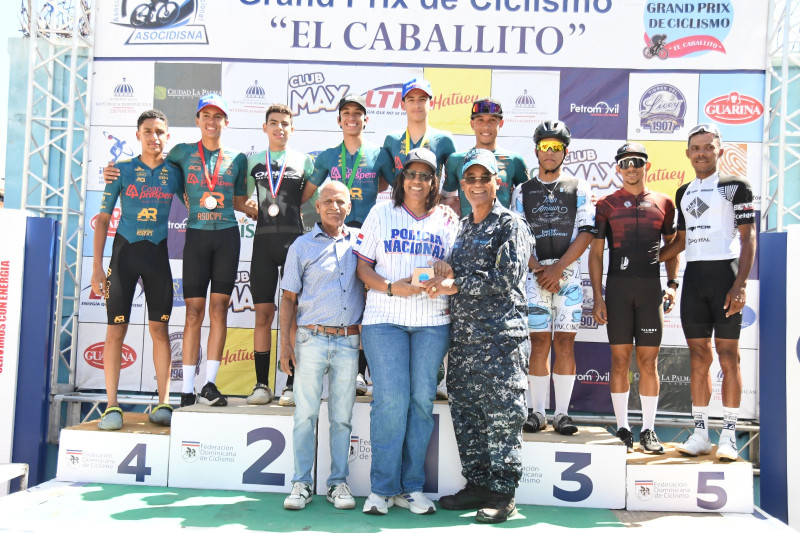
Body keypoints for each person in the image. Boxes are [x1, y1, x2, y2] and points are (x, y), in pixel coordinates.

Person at [104, 93, 249, 408]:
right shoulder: (181, 153)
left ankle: (209, 384)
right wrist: (112, 171)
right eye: (205, 116)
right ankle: (186, 388)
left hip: (227, 236)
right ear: (197, 120)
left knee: (219, 310)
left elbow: (240, 200)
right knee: (194, 312)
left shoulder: (238, 159)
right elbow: (148, 163)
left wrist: (254, 208)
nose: (212, 122)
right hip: (195, 236)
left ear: (226, 121)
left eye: (217, 116)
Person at [428, 148, 534, 524]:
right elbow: (455, 272)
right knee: (468, 417)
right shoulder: (463, 226)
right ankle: (476, 484)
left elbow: (507, 278)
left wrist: (455, 284)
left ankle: (503, 494)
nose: (476, 185)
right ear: (462, 185)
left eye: (483, 178)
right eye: (469, 179)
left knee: (503, 417)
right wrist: (444, 269)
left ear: (497, 183)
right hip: (464, 342)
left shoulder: (511, 225)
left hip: (501, 340)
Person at [354, 148, 458, 516]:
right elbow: (362, 267)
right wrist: (389, 287)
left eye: (425, 175)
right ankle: (382, 488)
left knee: (420, 402)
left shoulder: (448, 219)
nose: (417, 180)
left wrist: (444, 276)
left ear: (434, 182)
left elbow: (454, 274)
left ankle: (411, 487)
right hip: (385, 318)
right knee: (391, 400)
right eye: (411, 174)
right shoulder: (381, 212)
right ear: (402, 179)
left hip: (431, 322)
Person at [660, 124, 756, 461]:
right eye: (696, 148)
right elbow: (681, 243)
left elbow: (748, 238)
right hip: (695, 279)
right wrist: (647, 260)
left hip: (726, 276)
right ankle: (700, 434)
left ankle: (728, 436)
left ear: (719, 150)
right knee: (699, 358)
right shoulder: (683, 190)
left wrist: (740, 284)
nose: (702, 152)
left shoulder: (735, 186)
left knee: (729, 357)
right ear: (687, 153)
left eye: (708, 147)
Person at [92, 109, 183, 430]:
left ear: (167, 137)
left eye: (159, 131)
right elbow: (103, 219)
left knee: (159, 329)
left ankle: (163, 402)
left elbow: (198, 194)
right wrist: (96, 267)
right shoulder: (119, 171)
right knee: (116, 329)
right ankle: (112, 405)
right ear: (138, 135)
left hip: (157, 255)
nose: (153, 137)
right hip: (123, 256)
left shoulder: (175, 171)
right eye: (148, 131)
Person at [303, 94, 395, 400]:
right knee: (351, 303)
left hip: (370, 237)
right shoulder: (328, 156)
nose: (352, 118)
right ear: (339, 120)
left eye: (358, 113)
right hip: (338, 237)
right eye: (346, 113)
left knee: (371, 306)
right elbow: (306, 194)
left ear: (366, 119)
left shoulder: (379, 154)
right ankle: (353, 371)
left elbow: (401, 188)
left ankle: (369, 373)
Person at [589, 142, 679, 453]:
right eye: (625, 163)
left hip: (650, 291)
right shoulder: (607, 204)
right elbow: (597, 254)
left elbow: (674, 246)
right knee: (619, 360)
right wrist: (598, 297)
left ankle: (650, 430)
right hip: (617, 289)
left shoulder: (664, 202)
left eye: (637, 162)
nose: (631, 167)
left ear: (646, 166)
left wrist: (672, 284)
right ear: (617, 168)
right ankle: (624, 428)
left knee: (648, 361)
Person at [279, 181, 364, 511]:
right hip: (310, 339)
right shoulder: (301, 246)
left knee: (342, 418)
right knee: (306, 415)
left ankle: (338, 483)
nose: (333, 206)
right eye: (327, 201)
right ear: (317, 205)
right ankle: (301, 483)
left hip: (347, 342)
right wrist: (286, 347)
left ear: (349, 206)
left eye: (340, 201)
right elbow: (287, 299)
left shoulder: (360, 243)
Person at [510, 120, 595, 436]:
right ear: (536, 151)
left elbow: (587, 233)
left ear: (565, 152)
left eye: (556, 147)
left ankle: (562, 413)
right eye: (545, 146)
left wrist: (558, 270)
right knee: (539, 342)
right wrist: (538, 269)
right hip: (535, 277)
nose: (550, 152)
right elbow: (517, 236)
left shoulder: (579, 187)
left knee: (565, 342)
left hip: (568, 277)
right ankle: (537, 412)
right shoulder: (522, 190)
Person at [244, 103, 314, 405]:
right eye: (273, 123)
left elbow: (308, 198)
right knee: (263, 314)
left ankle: (291, 383)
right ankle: (261, 384)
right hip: (262, 243)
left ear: (292, 129)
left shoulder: (304, 161)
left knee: (294, 315)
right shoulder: (253, 163)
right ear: (265, 127)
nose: (279, 128)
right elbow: (246, 199)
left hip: (294, 243)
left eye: (285, 123)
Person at [442, 98, 528, 217]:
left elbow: (528, 199)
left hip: (503, 232)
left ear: (501, 123)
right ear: (472, 124)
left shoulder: (514, 160)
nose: (486, 126)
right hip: (467, 232)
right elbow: (445, 201)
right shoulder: (456, 160)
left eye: (492, 120)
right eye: (480, 120)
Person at [383, 78, 456, 178]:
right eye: (411, 100)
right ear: (403, 105)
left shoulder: (444, 139)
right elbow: (384, 179)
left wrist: (444, 194)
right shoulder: (391, 140)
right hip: (399, 194)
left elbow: (453, 179)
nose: (416, 105)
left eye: (422, 99)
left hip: (431, 194)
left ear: (431, 104)